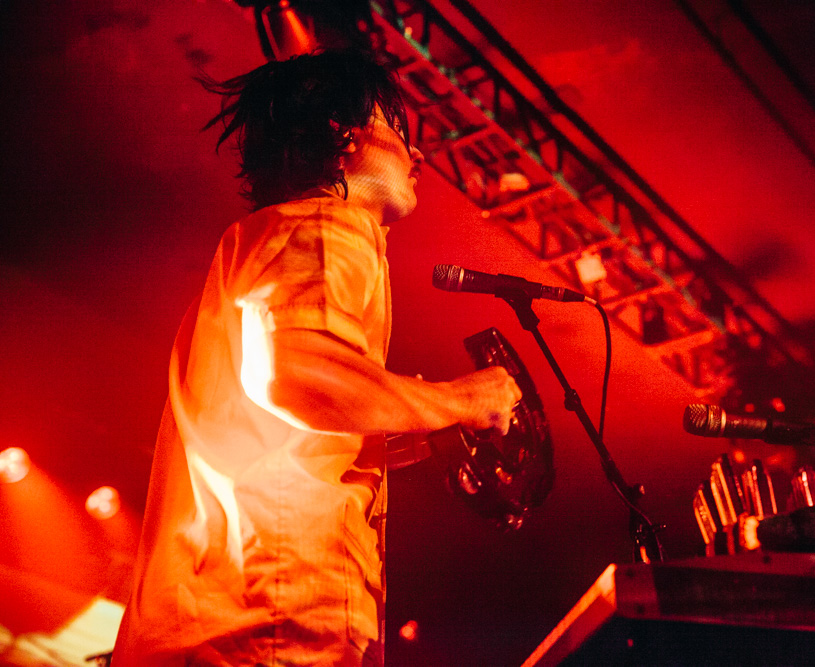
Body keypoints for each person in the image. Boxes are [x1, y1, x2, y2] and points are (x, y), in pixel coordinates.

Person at [113, 49, 521, 666]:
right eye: (398, 131)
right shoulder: (326, 225)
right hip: (272, 618)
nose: (415, 157)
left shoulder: (268, 240)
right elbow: (301, 377)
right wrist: (464, 398)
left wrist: (424, 425)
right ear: (344, 136)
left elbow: (292, 411)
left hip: (223, 620)